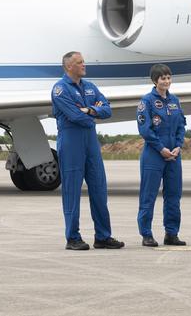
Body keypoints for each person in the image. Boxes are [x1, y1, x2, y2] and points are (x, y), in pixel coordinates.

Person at [51, 51, 124, 251]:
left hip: (90, 141)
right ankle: (72, 237)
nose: (84, 64)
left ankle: (103, 236)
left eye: (83, 61)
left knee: (99, 187)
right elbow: (75, 116)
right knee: (72, 190)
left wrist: (90, 110)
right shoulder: (60, 89)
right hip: (71, 140)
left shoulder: (90, 87)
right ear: (69, 67)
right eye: (79, 62)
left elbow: (107, 110)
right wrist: (91, 112)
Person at [135, 63, 186, 247]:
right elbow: (145, 129)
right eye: (163, 78)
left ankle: (171, 233)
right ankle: (146, 234)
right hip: (154, 154)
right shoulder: (146, 101)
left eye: (168, 77)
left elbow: (181, 126)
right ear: (155, 80)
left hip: (173, 155)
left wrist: (178, 146)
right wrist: (160, 148)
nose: (166, 81)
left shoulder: (175, 101)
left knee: (173, 195)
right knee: (148, 195)